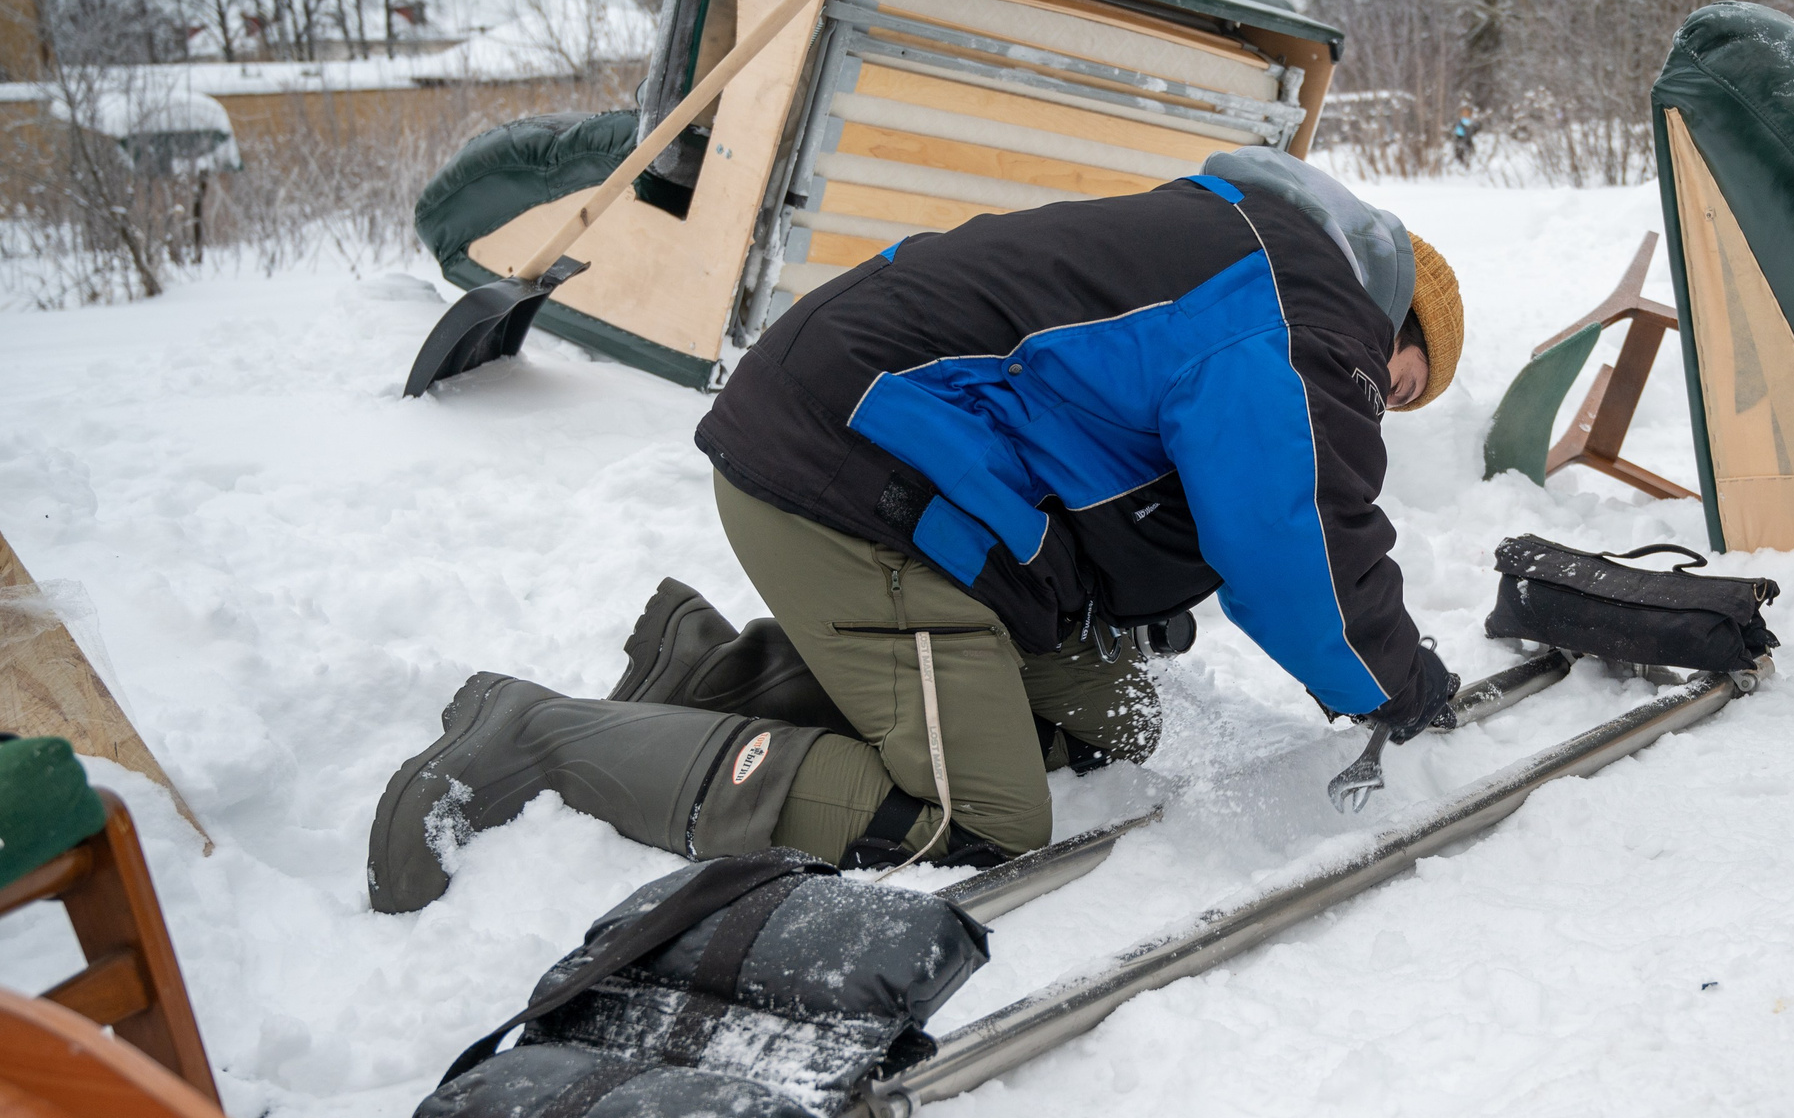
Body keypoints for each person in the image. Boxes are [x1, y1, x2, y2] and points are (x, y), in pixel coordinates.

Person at [367, 149, 1465, 912]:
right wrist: (1399, 683)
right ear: (1396, 319)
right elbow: (1297, 540)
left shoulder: (1238, 267)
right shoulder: (1299, 320)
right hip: (855, 479)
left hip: (889, 459)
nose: (1384, 403)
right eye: (1402, 382)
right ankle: (540, 744)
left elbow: (1131, 467)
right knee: (982, 815)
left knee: (1117, 719)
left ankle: (713, 675)